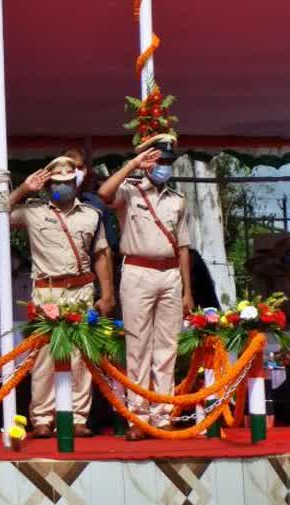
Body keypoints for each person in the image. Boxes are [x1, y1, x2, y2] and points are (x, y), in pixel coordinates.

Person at [9, 156, 115, 438]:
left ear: (76, 183)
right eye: (56, 182)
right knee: (44, 355)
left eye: (68, 182)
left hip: (81, 289)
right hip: (47, 291)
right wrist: (23, 189)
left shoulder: (91, 215)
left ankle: (78, 416)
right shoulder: (33, 211)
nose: (62, 186)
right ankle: (42, 417)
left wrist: (107, 295)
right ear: (48, 184)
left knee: (82, 355)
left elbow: (102, 255)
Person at [98, 134, 194, 441]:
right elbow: (103, 193)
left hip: (170, 275)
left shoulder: (178, 200)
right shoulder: (130, 191)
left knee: (167, 347)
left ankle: (162, 415)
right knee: (138, 347)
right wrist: (134, 164)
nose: (162, 166)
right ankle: (137, 417)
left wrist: (187, 292)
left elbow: (183, 248)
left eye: (167, 162)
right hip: (137, 270)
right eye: (157, 161)